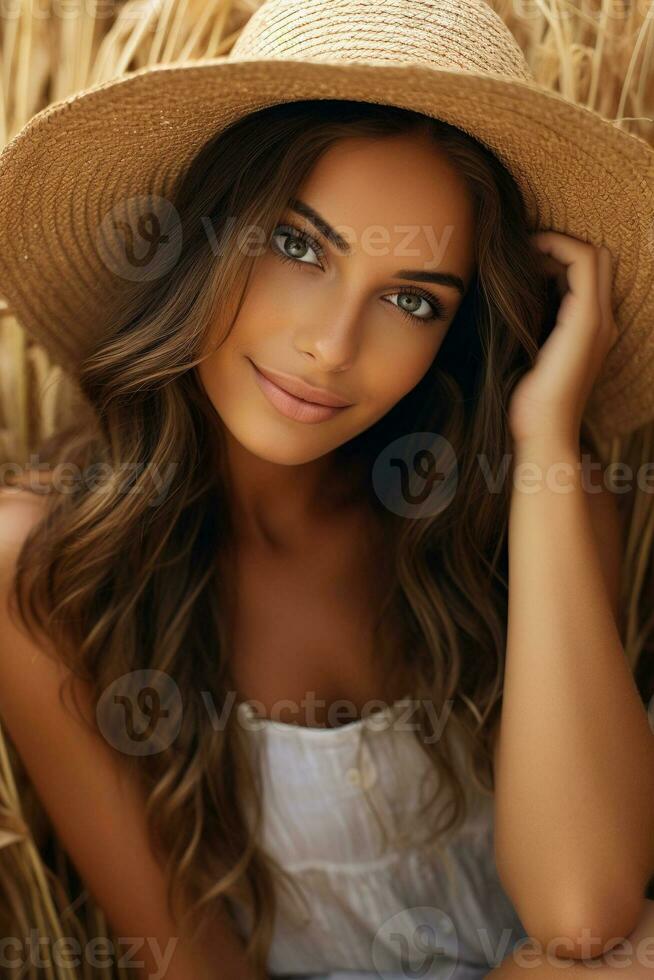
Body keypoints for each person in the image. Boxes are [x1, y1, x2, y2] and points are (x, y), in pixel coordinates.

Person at [0, 2, 653, 979]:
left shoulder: (517, 496)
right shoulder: (50, 566)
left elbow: (584, 909)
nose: (332, 346)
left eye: (411, 299)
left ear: (457, 330)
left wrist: (545, 432)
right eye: (299, 246)